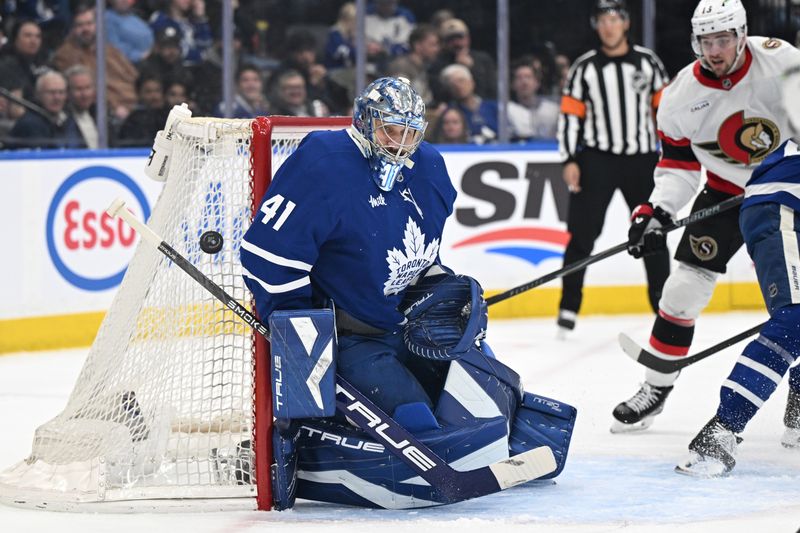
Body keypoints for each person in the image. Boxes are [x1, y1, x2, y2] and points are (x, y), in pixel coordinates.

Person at [240, 77, 575, 508]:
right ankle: (308, 448)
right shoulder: (325, 164)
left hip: (404, 324)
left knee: (494, 391)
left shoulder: (429, 168)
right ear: (365, 122)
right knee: (417, 420)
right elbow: (265, 256)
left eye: (410, 132)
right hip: (348, 336)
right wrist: (299, 338)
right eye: (390, 130)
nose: (400, 145)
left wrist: (440, 291)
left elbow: (418, 255)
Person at [611, 0, 800, 433]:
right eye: (706, 40)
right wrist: (657, 212)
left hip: (787, 192)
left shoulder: (783, 61)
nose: (715, 50)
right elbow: (679, 168)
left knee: (795, 302)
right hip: (726, 193)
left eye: (723, 38)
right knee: (680, 292)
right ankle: (656, 386)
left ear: (742, 33)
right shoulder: (681, 97)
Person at [676, 66, 800, 476]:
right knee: (795, 320)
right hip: (780, 205)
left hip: (780, 203)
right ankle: (721, 430)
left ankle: (798, 411)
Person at [556, 0, 671, 337]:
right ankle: (568, 307)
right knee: (581, 235)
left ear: (626, 23)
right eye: (602, 20)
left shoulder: (647, 63)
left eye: (614, 19)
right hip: (597, 160)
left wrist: (669, 156)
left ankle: (662, 306)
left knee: (653, 232)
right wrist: (569, 159)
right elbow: (569, 117)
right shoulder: (585, 68)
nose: (608, 26)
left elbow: (665, 114)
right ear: (596, 25)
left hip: (641, 159)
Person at [52, 3, 139, 122]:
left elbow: (133, 77)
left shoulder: (110, 50)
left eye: (89, 23)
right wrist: (114, 107)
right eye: (80, 25)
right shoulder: (65, 56)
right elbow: (84, 91)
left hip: (134, 108)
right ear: (72, 28)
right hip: (105, 115)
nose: (86, 29)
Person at [8, 70, 83, 149]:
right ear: (38, 94)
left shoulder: (68, 120)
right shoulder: (30, 124)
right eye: (51, 92)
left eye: (61, 92)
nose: (57, 98)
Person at [439, 63, 498, 144]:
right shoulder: (450, 112)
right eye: (453, 84)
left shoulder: (494, 107)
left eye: (461, 81)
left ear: (472, 82)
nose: (458, 86)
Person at [507, 58, 560, 141]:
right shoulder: (506, 112)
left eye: (528, 77)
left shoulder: (553, 111)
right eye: (519, 78)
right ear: (512, 84)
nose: (524, 82)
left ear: (537, 82)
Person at [387, 24, 440, 106]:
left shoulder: (423, 67)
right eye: (432, 45)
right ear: (417, 46)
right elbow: (400, 101)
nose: (437, 49)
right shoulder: (401, 66)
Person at [105, 0, 154, 64]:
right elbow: (114, 46)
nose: (124, 1)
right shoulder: (108, 18)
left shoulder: (131, 15)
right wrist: (139, 56)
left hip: (151, 56)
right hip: (134, 64)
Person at [64, 65, 98, 149]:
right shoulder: (63, 120)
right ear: (68, 92)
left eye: (88, 88)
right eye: (78, 89)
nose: (85, 94)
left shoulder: (102, 115)